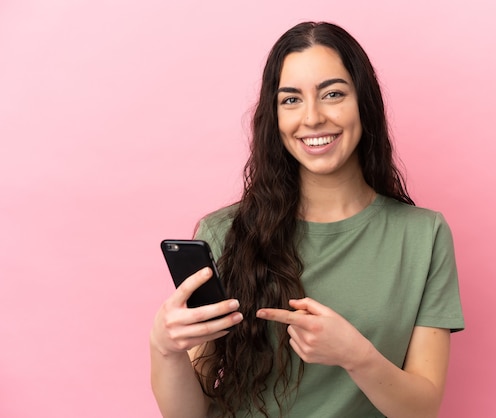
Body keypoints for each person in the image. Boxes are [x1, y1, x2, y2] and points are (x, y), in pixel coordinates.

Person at [150, 21, 464, 418]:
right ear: (274, 116)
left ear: (363, 103)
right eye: (291, 100)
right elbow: (187, 415)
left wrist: (356, 356)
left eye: (332, 94)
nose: (312, 118)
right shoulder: (224, 233)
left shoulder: (424, 236)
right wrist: (163, 347)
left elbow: (422, 410)